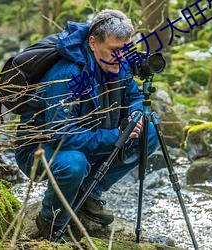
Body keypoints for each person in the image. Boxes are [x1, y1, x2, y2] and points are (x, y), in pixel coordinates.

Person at [15, 9, 159, 241]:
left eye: (126, 50)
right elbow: (61, 135)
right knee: (74, 164)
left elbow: (133, 96)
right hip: (41, 150)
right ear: (93, 42)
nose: (122, 57)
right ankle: (50, 221)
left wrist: (135, 114)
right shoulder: (66, 75)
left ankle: (89, 193)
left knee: (149, 132)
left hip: (90, 136)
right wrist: (116, 135)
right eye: (114, 50)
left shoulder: (116, 62)